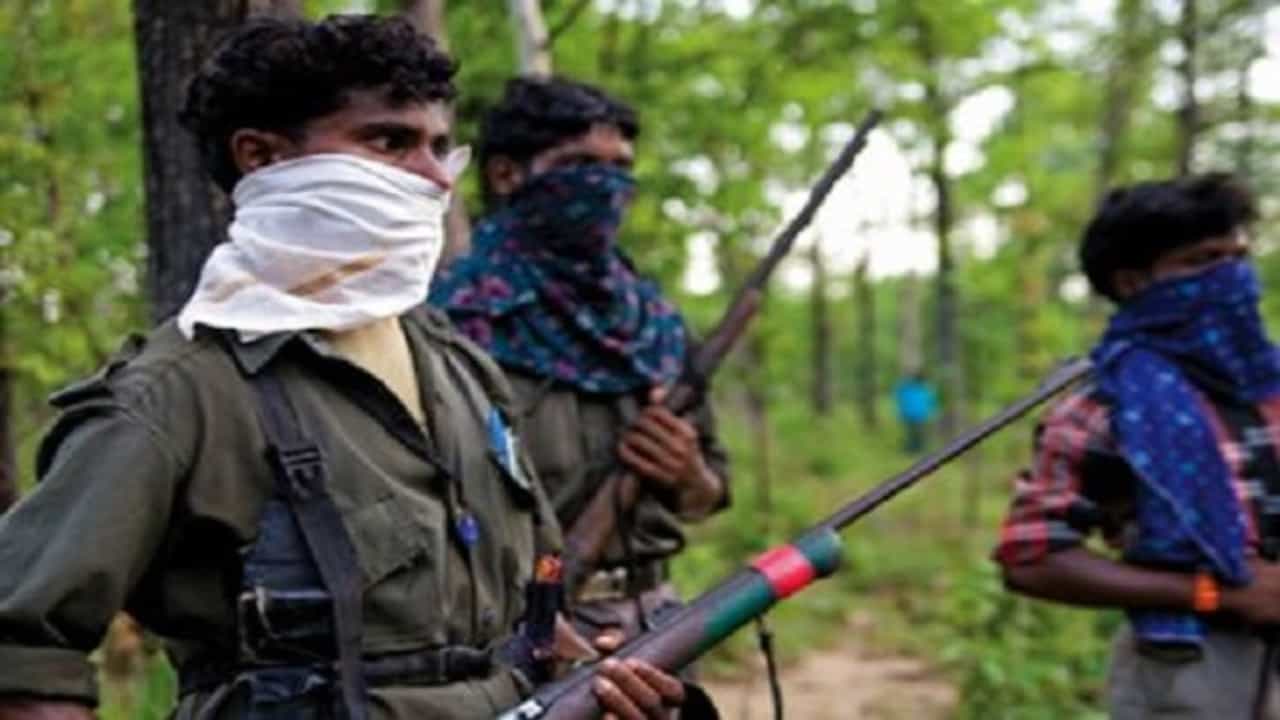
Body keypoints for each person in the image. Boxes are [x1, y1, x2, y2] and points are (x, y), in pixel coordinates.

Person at [0, 16, 686, 720]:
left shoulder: (459, 365)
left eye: (440, 147)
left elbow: (529, 615)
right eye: (390, 142)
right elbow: (19, 645)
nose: (434, 177)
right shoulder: (181, 392)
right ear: (261, 156)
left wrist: (596, 680)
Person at [430, 77, 730, 644]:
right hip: (509, 632)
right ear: (506, 174)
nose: (606, 185)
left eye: (621, 167)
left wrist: (689, 473)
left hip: (656, 624)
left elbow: (709, 495)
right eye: (581, 164)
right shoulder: (455, 322)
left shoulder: (652, 324)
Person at [994, 173, 1280, 718]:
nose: (1232, 277)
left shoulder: (1272, 386)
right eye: (1203, 261)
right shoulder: (1103, 407)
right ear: (1132, 282)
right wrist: (1220, 593)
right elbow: (1031, 558)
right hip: (1194, 671)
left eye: (1238, 257)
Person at [893, 371, 937, 454]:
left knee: (913, 433)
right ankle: (915, 448)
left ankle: (913, 448)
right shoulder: (925, 388)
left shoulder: (908, 388)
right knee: (916, 433)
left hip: (912, 414)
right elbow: (931, 400)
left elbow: (899, 395)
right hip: (917, 414)